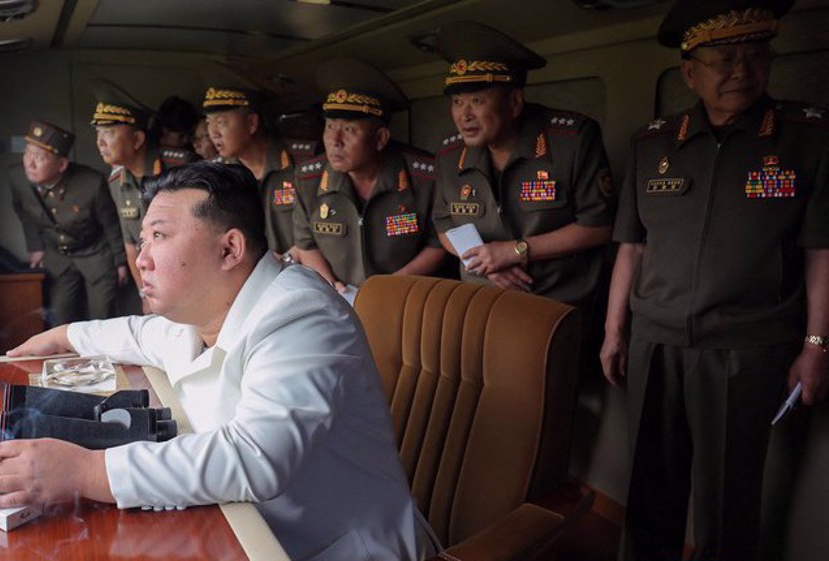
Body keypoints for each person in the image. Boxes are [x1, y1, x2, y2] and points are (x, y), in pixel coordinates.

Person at [0, 162, 436, 561]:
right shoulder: (205, 310)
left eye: (159, 236)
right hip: (245, 528)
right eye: (142, 239)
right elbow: (141, 333)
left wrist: (85, 472)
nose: (143, 260)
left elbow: (255, 457)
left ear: (229, 249)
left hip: (329, 547)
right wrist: (64, 334)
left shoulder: (302, 314)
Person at [599, 1, 828, 559]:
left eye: (754, 57)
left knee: (729, 498)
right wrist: (614, 330)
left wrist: (817, 345)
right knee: (649, 487)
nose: (740, 72)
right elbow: (631, 247)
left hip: (746, 348)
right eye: (723, 59)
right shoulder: (653, 142)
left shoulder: (807, 137)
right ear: (689, 72)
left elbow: (821, 251)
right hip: (655, 342)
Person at [432, 22, 615, 307]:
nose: (464, 115)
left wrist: (515, 251)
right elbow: (443, 226)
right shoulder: (448, 154)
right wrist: (487, 262)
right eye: (457, 101)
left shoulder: (571, 139)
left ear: (515, 102)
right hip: (483, 299)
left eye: (477, 101)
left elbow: (598, 225)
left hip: (558, 302)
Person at [294, 58, 446, 290]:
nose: (335, 141)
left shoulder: (424, 177)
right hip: (337, 295)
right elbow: (306, 244)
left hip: (405, 292)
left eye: (349, 129)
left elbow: (438, 242)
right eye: (330, 126)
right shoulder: (308, 178)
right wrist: (332, 287)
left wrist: (387, 289)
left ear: (380, 138)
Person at [90, 81, 195, 313]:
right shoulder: (117, 181)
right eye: (98, 133)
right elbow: (131, 246)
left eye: (109, 133)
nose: (100, 142)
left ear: (137, 140)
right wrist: (144, 292)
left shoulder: (183, 167)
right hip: (155, 286)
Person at [8, 120, 127, 325]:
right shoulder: (17, 177)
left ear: (62, 164)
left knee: (101, 320)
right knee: (59, 318)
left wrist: (120, 262)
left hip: (96, 255)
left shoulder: (91, 183)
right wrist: (36, 247)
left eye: (39, 157)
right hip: (59, 257)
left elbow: (112, 225)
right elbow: (23, 212)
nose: (30, 163)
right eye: (27, 153)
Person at [201, 71, 317, 257]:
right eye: (209, 122)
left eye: (221, 122)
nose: (213, 132)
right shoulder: (215, 174)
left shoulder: (304, 162)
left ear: (252, 123)